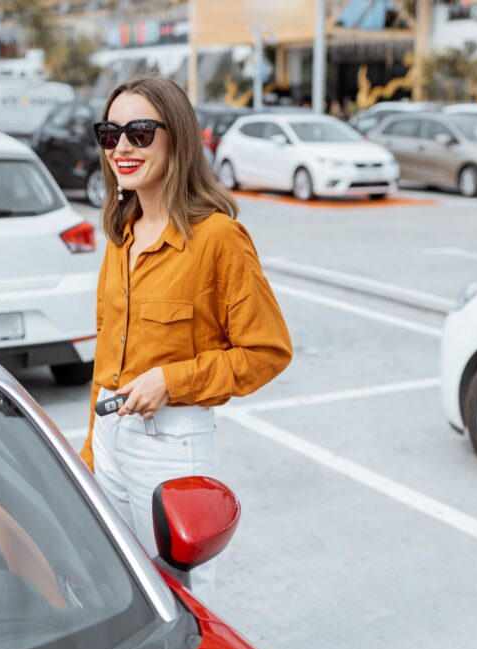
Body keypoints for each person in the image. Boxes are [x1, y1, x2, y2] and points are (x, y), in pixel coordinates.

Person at [82, 78, 292, 601]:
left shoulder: (217, 238)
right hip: (110, 439)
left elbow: (267, 351)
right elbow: (107, 352)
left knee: (182, 600)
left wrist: (172, 382)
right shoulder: (121, 233)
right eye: (110, 134)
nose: (122, 148)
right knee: (120, 589)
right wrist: (90, 451)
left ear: (176, 137)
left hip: (170, 447)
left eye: (140, 132)